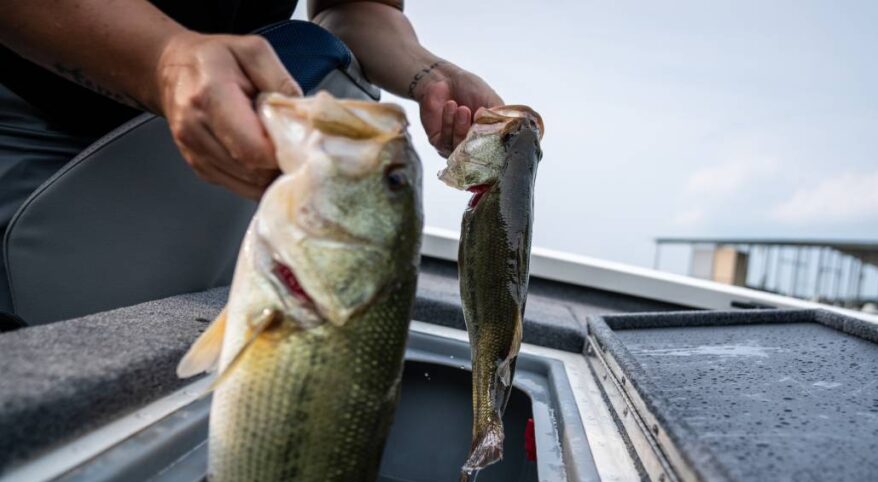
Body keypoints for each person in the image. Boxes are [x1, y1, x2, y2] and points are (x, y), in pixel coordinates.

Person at [0, 0, 502, 317]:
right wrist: (167, 61)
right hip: (37, 132)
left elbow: (355, 9)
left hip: (229, 152)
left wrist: (430, 74)